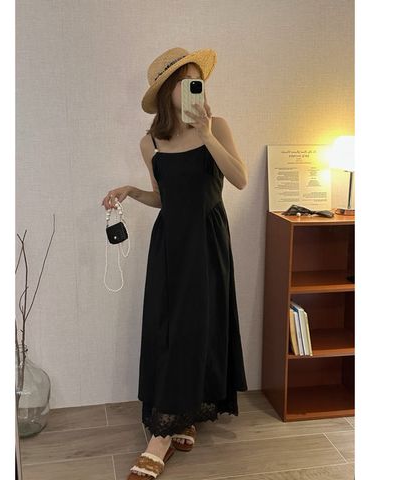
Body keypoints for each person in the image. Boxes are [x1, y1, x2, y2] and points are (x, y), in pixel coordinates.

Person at [102, 47, 249, 479]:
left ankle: (168, 430)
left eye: (195, 81)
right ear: (167, 90)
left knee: (199, 327)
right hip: (170, 245)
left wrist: (207, 134)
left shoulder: (217, 126)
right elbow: (164, 199)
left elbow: (239, 179)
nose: (191, 88)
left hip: (208, 242)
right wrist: (132, 191)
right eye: (183, 82)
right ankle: (172, 422)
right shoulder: (150, 142)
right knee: (169, 330)